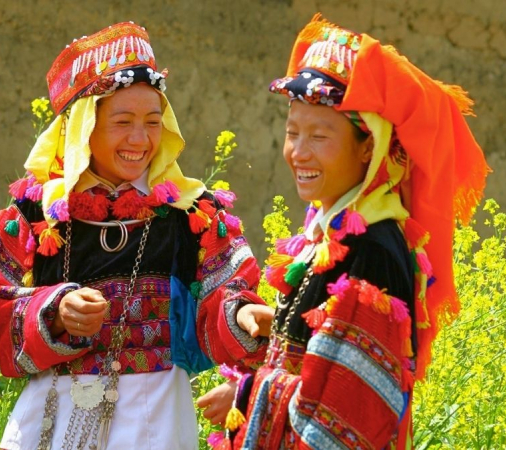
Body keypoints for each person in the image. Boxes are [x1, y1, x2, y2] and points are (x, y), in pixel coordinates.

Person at [0, 22, 270, 450]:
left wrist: (241, 314)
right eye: (122, 121)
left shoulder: (192, 212)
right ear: (83, 128)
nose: (140, 139)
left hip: (157, 421)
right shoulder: (37, 213)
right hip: (53, 419)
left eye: (152, 122)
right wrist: (52, 310)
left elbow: (227, 292)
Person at [197, 14, 488, 449]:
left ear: (368, 146)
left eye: (319, 136)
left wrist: (246, 394)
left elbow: (345, 417)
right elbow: (314, 362)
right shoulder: (329, 235)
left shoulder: (372, 248)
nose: (299, 152)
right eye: (292, 132)